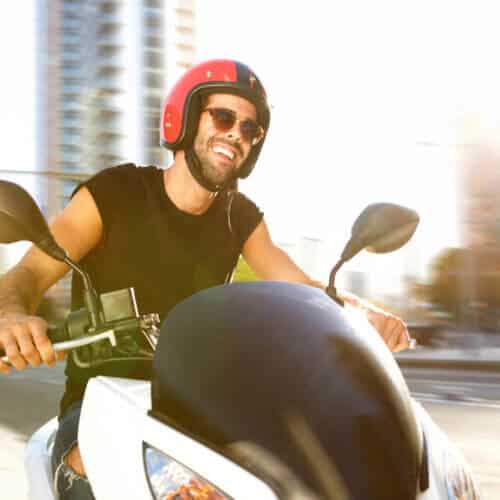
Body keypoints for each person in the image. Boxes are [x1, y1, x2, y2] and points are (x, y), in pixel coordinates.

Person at [0, 59, 410, 499]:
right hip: (103, 406)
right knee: (93, 472)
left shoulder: (240, 217)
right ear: (185, 118)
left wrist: (363, 314)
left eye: (250, 128)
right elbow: (29, 273)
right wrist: (11, 315)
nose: (237, 133)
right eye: (224, 117)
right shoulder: (113, 195)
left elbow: (304, 290)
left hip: (198, 406)